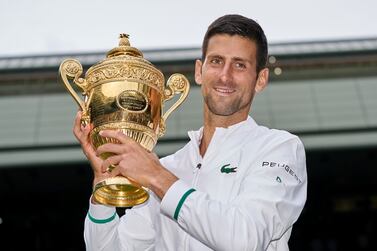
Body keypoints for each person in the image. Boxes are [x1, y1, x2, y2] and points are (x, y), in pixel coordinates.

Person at [74, 14, 307, 251]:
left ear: (260, 79)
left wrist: (157, 178)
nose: (225, 76)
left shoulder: (279, 148)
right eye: (216, 61)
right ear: (199, 71)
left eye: (240, 65)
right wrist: (104, 183)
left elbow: (245, 239)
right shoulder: (168, 167)